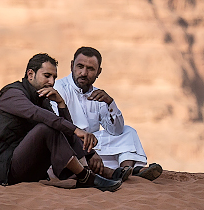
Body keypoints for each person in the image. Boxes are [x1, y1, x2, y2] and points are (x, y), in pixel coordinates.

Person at [0, 52, 122, 191]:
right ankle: (85, 176)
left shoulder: (41, 97)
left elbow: (63, 128)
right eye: (47, 76)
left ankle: (89, 172)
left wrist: (61, 104)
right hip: (0, 168)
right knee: (47, 128)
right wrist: (76, 130)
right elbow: (37, 114)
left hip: (24, 168)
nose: (51, 82)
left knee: (58, 127)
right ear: (30, 74)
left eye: (54, 77)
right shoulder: (11, 94)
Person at [52, 46, 163, 182]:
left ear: (99, 72)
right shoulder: (59, 89)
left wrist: (110, 103)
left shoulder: (98, 94)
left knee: (128, 131)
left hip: (92, 144)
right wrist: (89, 152)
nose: (84, 73)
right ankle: (126, 172)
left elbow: (116, 131)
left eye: (90, 69)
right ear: (71, 66)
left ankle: (126, 170)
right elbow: (58, 127)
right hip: (70, 143)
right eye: (80, 67)